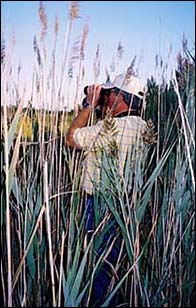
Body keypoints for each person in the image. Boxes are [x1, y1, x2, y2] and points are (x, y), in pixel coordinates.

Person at [66, 71, 147, 306]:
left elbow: (72, 138)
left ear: (120, 97)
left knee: (100, 268)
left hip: (101, 206)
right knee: (115, 266)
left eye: (109, 93)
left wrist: (89, 105)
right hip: (127, 205)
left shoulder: (110, 128)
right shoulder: (142, 126)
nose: (105, 98)